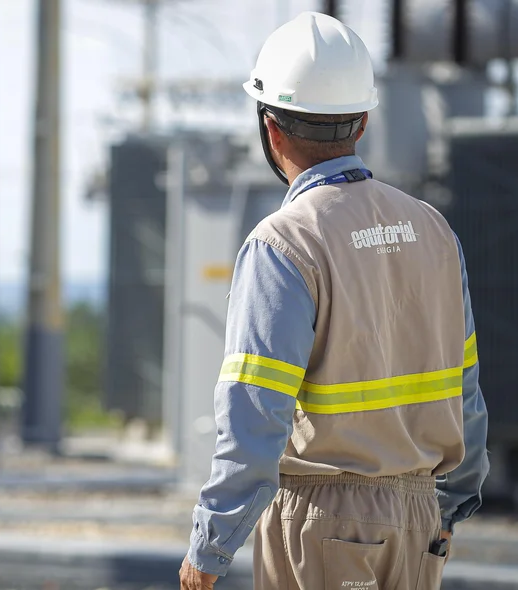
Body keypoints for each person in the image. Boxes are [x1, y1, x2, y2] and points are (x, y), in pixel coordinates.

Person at [179, 12, 490, 590]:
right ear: (363, 121)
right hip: (420, 519)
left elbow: (256, 414)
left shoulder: (284, 242)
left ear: (269, 127)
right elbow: (466, 393)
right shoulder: (434, 231)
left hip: (323, 519)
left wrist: (209, 547)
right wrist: (448, 506)